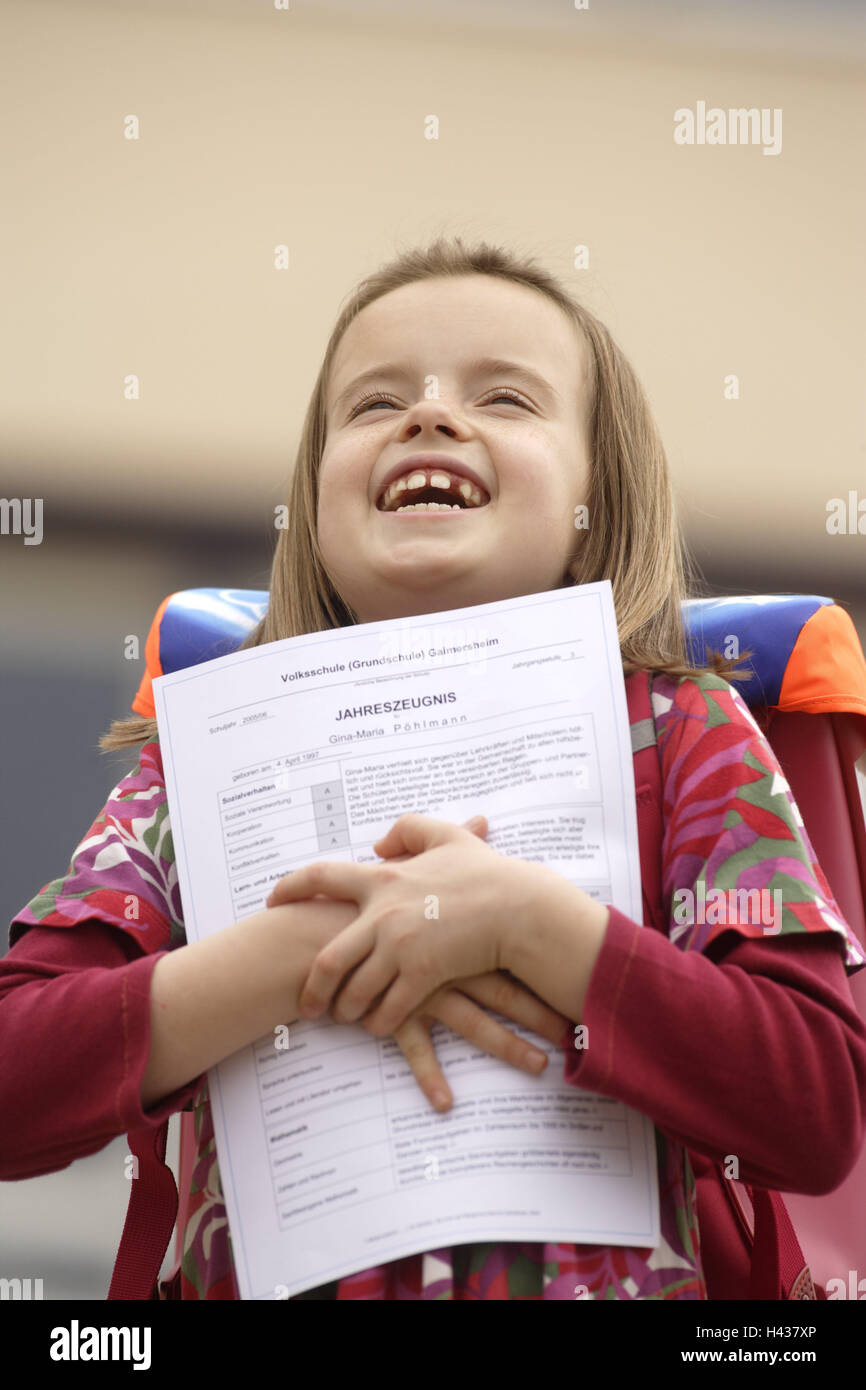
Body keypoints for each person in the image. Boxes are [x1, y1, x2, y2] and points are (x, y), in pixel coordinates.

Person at [3, 238, 865, 1302]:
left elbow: (815, 1111)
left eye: (503, 396)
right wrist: (292, 957)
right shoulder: (202, 758)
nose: (428, 415)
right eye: (371, 405)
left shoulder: (683, 727)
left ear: (601, 493)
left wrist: (524, 926)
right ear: (312, 504)